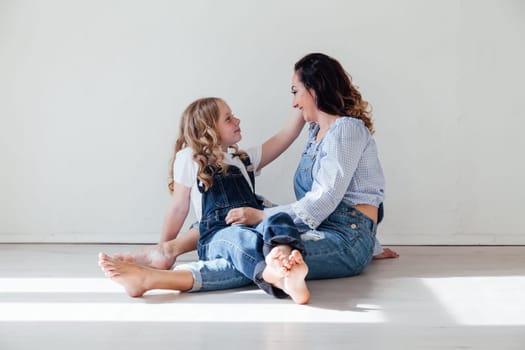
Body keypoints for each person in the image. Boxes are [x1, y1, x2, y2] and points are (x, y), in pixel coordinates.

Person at [99, 97, 311, 303]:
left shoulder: (243, 160)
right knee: (237, 239)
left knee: (280, 218)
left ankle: (282, 261)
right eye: (228, 118)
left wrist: (304, 99)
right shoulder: (190, 157)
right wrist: (164, 247)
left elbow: (285, 136)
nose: (237, 121)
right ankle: (275, 277)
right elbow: (178, 208)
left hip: (254, 223)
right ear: (207, 128)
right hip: (216, 234)